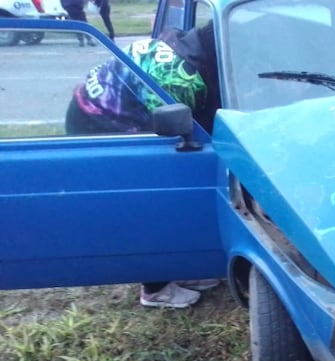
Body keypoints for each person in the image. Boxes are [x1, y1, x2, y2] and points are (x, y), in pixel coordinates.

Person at [66, 21, 222, 308]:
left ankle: (180, 270)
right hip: (100, 124)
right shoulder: (182, 79)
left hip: (97, 109)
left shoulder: (183, 42)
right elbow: (192, 136)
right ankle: (156, 287)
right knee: (155, 196)